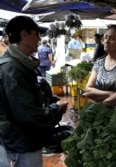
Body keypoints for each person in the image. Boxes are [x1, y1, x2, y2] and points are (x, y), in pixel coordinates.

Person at [0, 15, 68, 167]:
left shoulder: (17, 64)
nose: (39, 39)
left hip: (19, 139)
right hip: (22, 142)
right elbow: (29, 115)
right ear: (24, 35)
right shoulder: (12, 69)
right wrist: (56, 110)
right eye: (36, 34)